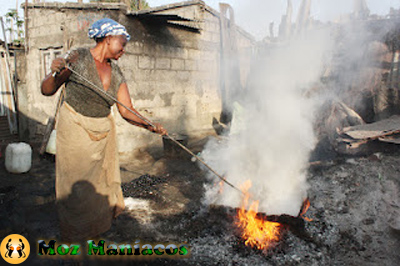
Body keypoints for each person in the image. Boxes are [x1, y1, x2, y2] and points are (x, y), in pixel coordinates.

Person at [41, 18, 167, 241]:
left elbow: (127, 111)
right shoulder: (78, 58)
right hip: (75, 132)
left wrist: (150, 126)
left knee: (101, 186)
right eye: (122, 44)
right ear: (108, 39)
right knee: (77, 190)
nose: (124, 50)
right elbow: (47, 90)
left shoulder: (116, 73)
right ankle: (74, 237)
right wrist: (55, 72)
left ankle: (94, 231)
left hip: (103, 135)